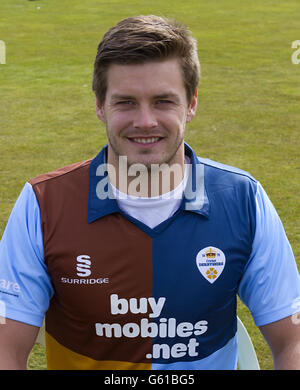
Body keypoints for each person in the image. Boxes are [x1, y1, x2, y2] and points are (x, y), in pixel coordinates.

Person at [0, 15, 300, 370]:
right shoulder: (43, 203)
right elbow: (7, 349)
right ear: (100, 105)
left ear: (191, 103)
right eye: (126, 102)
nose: (145, 121)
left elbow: (292, 341)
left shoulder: (243, 199)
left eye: (163, 101)